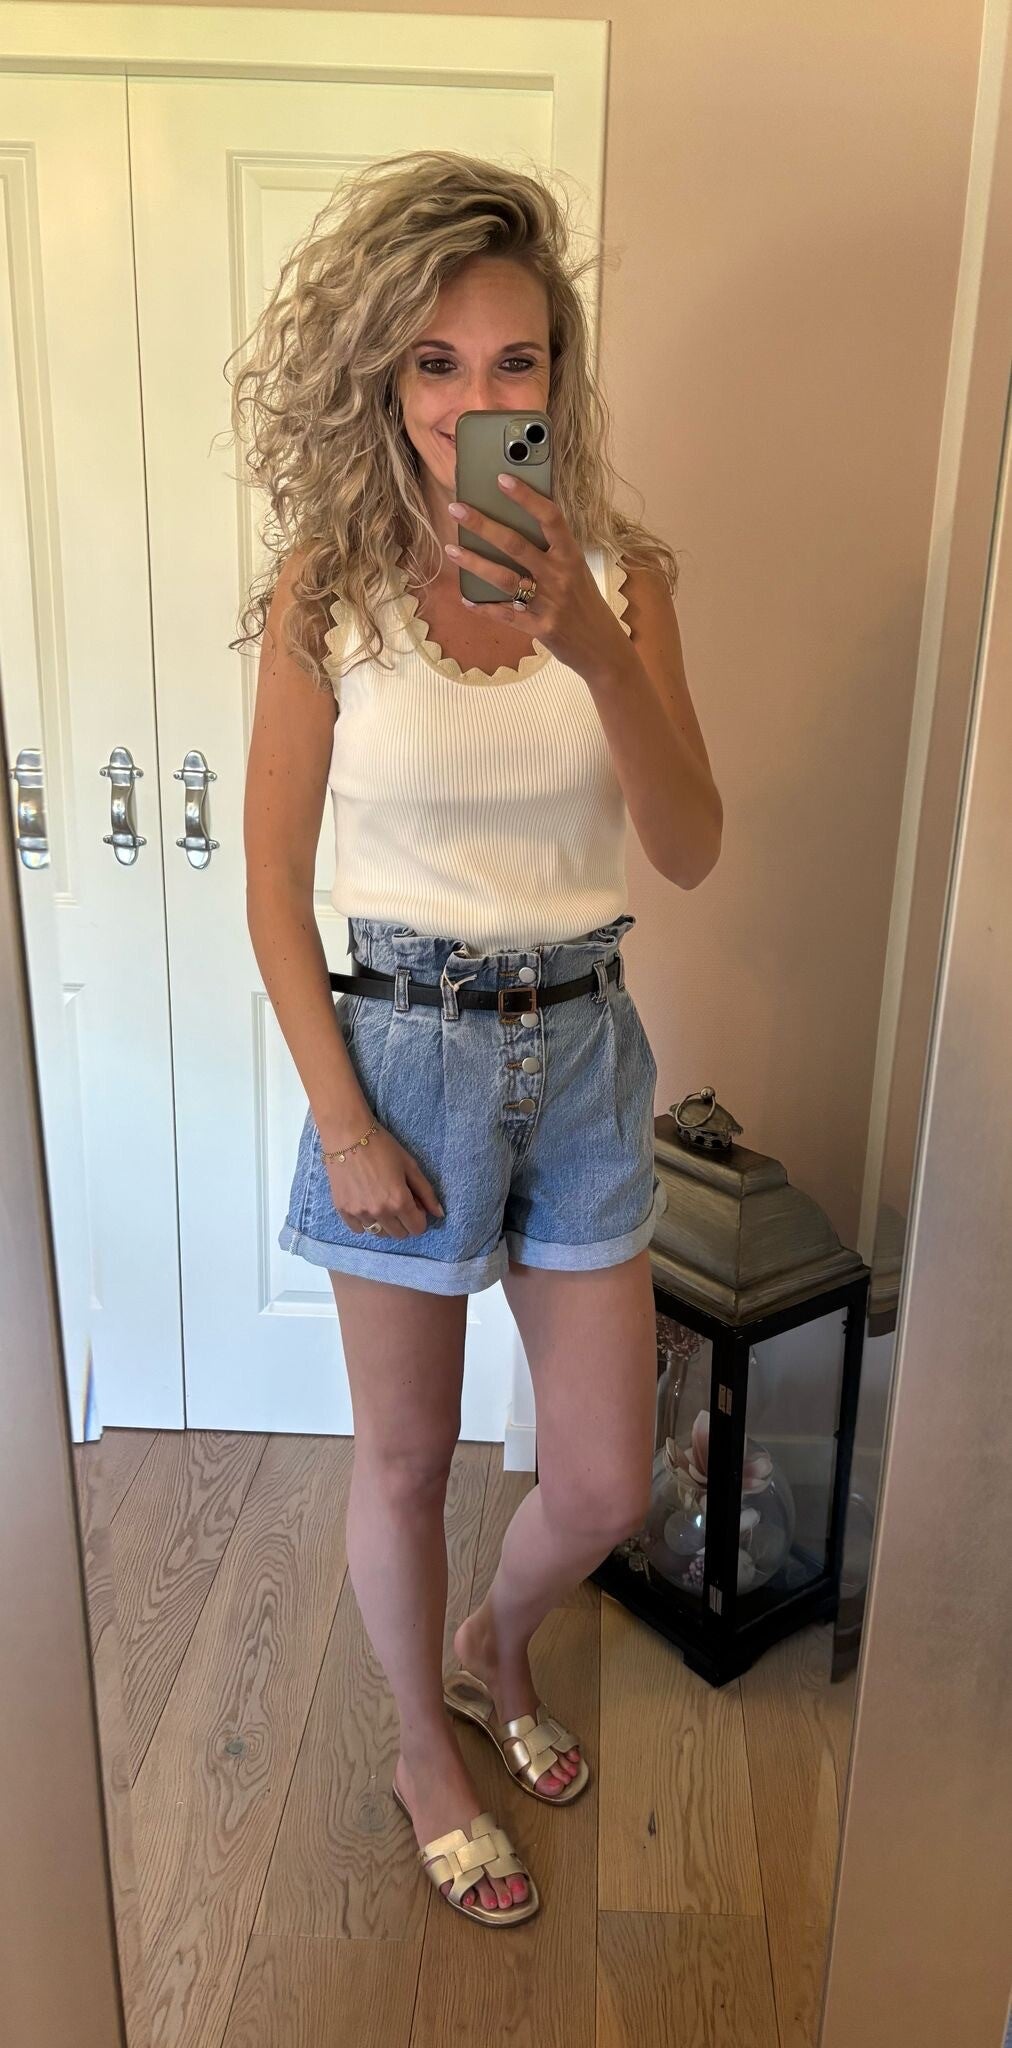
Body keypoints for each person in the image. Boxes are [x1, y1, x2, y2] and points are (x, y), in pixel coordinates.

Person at [235, 150, 721, 1927]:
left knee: (599, 1476)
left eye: (513, 362)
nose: (470, 400)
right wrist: (344, 1122)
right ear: (385, 379)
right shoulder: (327, 591)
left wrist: (596, 647)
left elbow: (689, 845)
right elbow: (270, 884)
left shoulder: (625, 581)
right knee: (406, 1457)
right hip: (402, 1050)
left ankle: (493, 1645)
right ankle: (418, 1747)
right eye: (434, 365)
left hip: (583, 1053)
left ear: (558, 378)